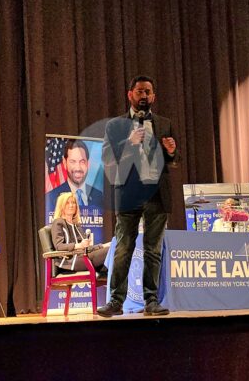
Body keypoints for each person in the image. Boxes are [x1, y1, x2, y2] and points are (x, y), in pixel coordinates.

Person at [98, 75, 179, 317]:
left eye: (148, 92)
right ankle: (116, 301)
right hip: (129, 194)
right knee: (124, 248)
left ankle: (151, 301)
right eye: (140, 91)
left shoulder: (164, 124)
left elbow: (174, 161)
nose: (144, 96)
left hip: (157, 194)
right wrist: (129, 143)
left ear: (154, 96)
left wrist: (172, 152)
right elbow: (107, 159)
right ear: (130, 94)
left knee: (153, 250)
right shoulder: (116, 126)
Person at [50, 192, 110, 273]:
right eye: (67, 203)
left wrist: (103, 245)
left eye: (73, 202)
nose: (71, 205)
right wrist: (79, 245)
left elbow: (86, 248)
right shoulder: (58, 223)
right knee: (110, 251)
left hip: (82, 256)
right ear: (61, 206)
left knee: (112, 249)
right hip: (71, 262)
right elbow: (59, 246)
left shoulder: (76, 225)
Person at [46, 139, 104, 210]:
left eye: (82, 162)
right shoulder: (52, 197)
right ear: (65, 163)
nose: (78, 168)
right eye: (72, 162)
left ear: (88, 164)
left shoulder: (99, 196)